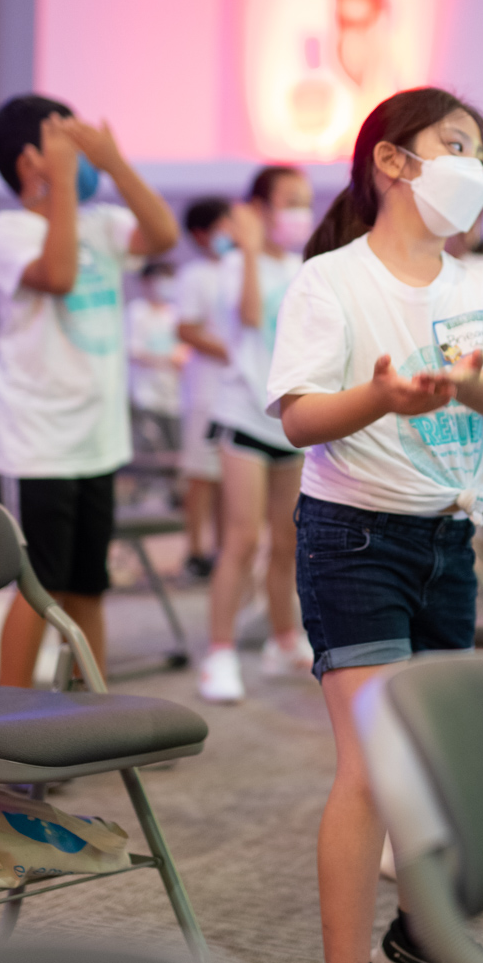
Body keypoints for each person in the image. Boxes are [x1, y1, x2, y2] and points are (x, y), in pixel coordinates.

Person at [266, 86, 483, 963]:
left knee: (427, 758)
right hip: (355, 538)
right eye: (454, 145)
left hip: (448, 539)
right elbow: (299, 417)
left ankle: (421, 935)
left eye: (482, 154)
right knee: (373, 767)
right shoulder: (330, 281)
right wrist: (379, 395)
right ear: (391, 159)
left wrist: (460, 381)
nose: (473, 167)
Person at [0, 94, 178, 686]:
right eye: (67, 142)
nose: (82, 153)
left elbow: (163, 235)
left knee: (89, 586)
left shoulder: (101, 223)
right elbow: (59, 276)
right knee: (40, 587)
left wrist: (114, 163)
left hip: (97, 441)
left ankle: (91, 710)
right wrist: (63, 182)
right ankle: (7, 725)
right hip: (36, 445)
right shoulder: (7, 231)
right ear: (29, 162)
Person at [197, 166, 315, 703]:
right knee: (242, 539)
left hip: (288, 420)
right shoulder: (230, 265)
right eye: (290, 200)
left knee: (288, 540)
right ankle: (219, 654)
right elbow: (248, 317)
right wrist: (246, 250)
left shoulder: (302, 267)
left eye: (305, 201)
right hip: (244, 413)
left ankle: (283, 639)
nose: (300, 211)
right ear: (259, 208)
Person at [175, 197, 234, 578]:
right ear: (201, 234)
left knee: (230, 477)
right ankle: (195, 549)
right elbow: (186, 329)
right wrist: (233, 352)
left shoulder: (239, 268)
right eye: (225, 224)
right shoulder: (195, 275)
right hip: (205, 392)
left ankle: (224, 549)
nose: (232, 231)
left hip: (235, 393)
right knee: (202, 475)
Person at [127, 260, 184, 455]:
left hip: (173, 396)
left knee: (174, 448)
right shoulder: (136, 312)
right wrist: (167, 360)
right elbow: (133, 351)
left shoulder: (176, 313)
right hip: (145, 395)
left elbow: (184, 351)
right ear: (144, 282)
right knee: (148, 449)